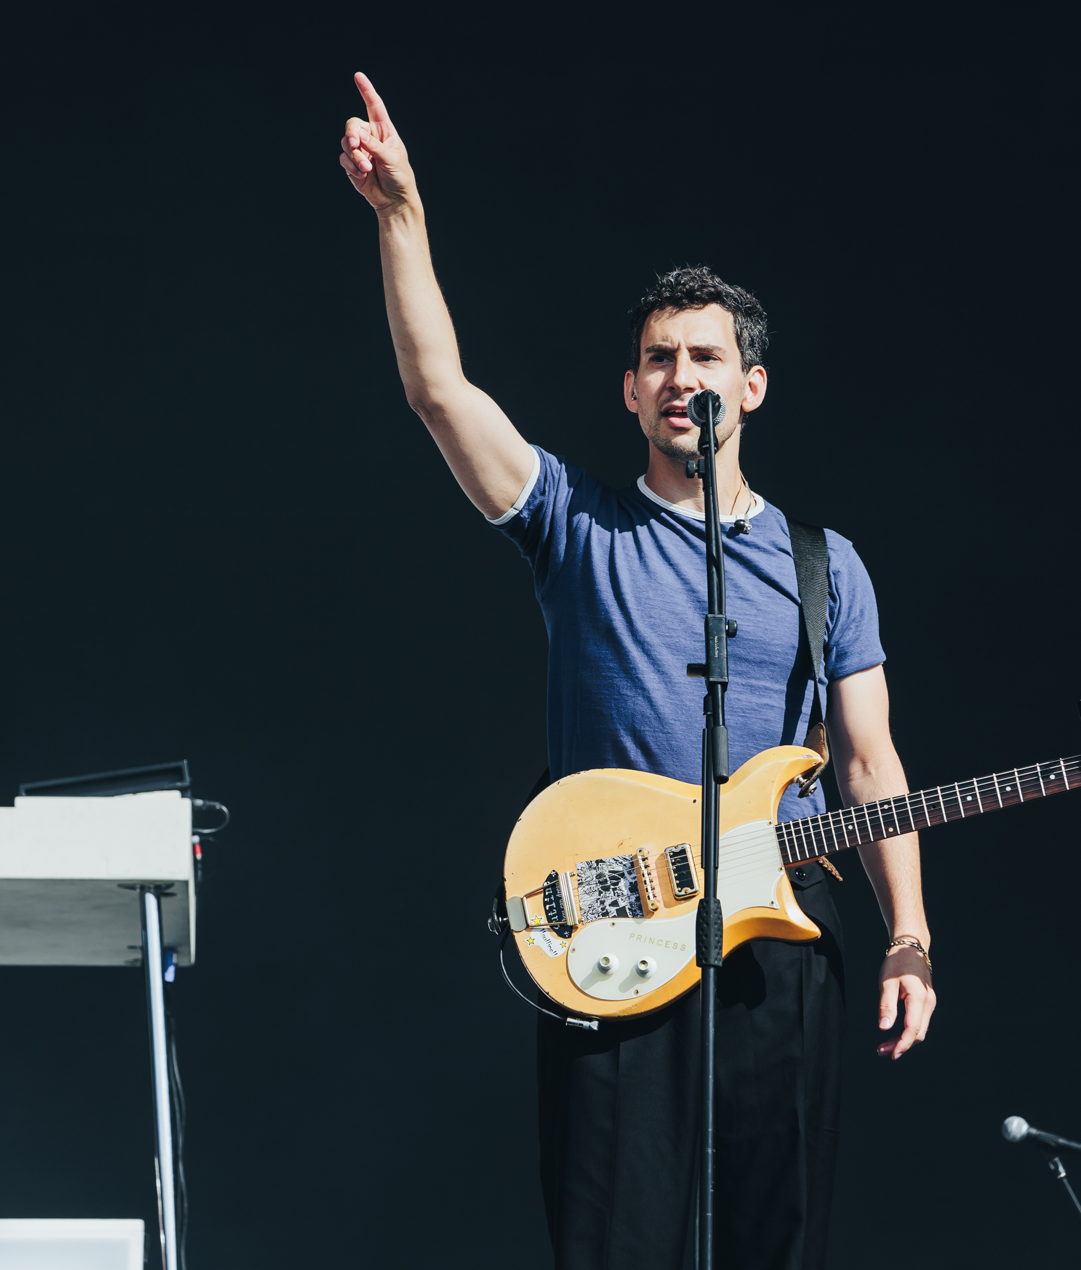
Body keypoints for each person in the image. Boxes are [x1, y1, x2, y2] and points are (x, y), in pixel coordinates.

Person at [338, 71, 936, 1270]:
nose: (682, 377)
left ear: (749, 387)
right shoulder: (579, 525)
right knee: (617, 1238)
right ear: (630, 390)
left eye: (706, 357)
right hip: (615, 924)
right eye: (659, 359)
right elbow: (438, 393)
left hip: (784, 938)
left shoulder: (827, 567)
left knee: (778, 1235)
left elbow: (868, 762)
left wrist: (907, 934)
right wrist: (401, 218)